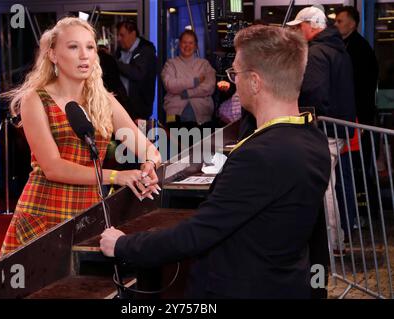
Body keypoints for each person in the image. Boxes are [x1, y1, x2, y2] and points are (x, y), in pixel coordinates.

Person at [100, 25, 331, 299]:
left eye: (236, 73)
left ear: (255, 81)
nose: (234, 81)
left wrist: (124, 244)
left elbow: (197, 234)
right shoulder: (313, 138)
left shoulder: (260, 155)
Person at [0, 17, 162, 257]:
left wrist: (148, 166)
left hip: (89, 212)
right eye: (73, 47)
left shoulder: (103, 100)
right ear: (53, 54)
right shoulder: (36, 99)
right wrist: (117, 176)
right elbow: (53, 168)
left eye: (90, 47)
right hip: (44, 213)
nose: (84, 55)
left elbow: (149, 149)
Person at [287, 6, 356, 255]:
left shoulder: (317, 53)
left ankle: (331, 243)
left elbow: (314, 91)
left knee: (324, 187)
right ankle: (335, 241)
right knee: (329, 185)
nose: (297, 31)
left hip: (325, 127)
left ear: (312, 25)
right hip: (336, 127)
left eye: (299, 26)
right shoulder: (338, 49)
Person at [334, 6, 379, 229]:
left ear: (353, 23)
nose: (336, 24)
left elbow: (363, 89)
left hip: (357, 120)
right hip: (353, 118)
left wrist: (360, 121)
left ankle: (358, 216)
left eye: (340, 21)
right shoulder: (344, 46)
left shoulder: (360, 49)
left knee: (354, 171)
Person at [161, 30, 216, 128]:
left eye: (191, 43)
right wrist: (195, 81)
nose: (187, 46)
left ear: (196, 46)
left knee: (203, 143)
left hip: (202, 116)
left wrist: (187, 93)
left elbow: (209, 87)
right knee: (176, 143)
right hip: (174, 115)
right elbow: (170, 85)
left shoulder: (204, 65)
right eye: (184, 42)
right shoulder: (170, 64)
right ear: (179, 44)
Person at [115, 20, 157, 121]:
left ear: (133, 34)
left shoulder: (146, 51)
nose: (119, 39)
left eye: (122, 35)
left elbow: (137, 73)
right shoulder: (120, 51)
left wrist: (114, 62)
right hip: (123, 109)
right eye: (118, 35)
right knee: (123, 136)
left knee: (139, 136)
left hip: (139, 112)